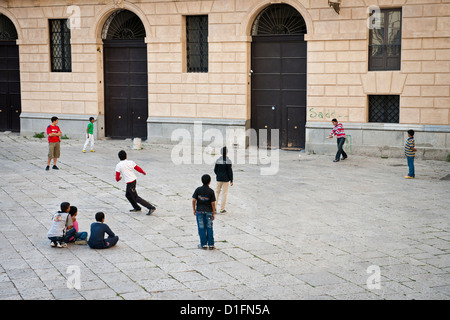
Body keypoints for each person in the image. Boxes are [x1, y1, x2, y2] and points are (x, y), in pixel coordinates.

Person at [115, 150, 156, 216]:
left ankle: (151, 207)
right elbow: (138, 168)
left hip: (130, 182)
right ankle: (136, 207)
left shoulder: (118, 165)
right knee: (128, 195)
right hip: (133, 181)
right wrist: (143, 172)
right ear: (126, 156)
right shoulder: (131, 162)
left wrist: (119, 178)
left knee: (136, 197)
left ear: (119, 157)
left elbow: (117, 178)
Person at [192, 174, 216, 250]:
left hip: (199, 211)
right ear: (209, 182)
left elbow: (194, 200)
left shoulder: (198, 190)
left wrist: (194, 209)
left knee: (201, 227)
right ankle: (211, 244)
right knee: (209, 227)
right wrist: (213, 213)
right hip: (209, 212)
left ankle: (204, 244)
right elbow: (213, 203)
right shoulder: (211, 191)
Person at [214, 146, 233, 213]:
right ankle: (222, 209)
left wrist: (218, 174)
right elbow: (230, 171)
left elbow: (215, 170)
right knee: (224, 193)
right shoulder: (228, 161)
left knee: (217, 193)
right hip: (226, 179)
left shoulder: (218, 160)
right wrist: (231, 180)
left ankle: (214, 208)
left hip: (219, 178)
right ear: (227, 152)